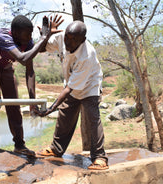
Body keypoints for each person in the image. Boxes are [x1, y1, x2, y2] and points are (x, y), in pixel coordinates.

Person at [37, 16, 109, 170]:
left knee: (92, 118)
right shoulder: (62, 38)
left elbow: (70, 89)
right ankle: (56, 149)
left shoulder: (87, 55)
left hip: (90, 86)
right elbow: (42, 48)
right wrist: (46, 34)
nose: (68, 42)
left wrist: (51, 108)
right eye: (67, 37)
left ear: (83, 39)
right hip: (71, 83)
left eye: (73, 39)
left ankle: (100, 158)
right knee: (65, 115)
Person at [0, 15, 60, 157]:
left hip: (6, 69)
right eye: (27, 34)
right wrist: (43, 38)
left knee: (14, 106)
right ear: (15, 33)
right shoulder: (2, 36)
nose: (29, 37)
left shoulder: (27, 42)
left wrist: (32, 101)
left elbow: (30, 71)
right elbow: (22, 59)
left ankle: (19, 145)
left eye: (31, 34)